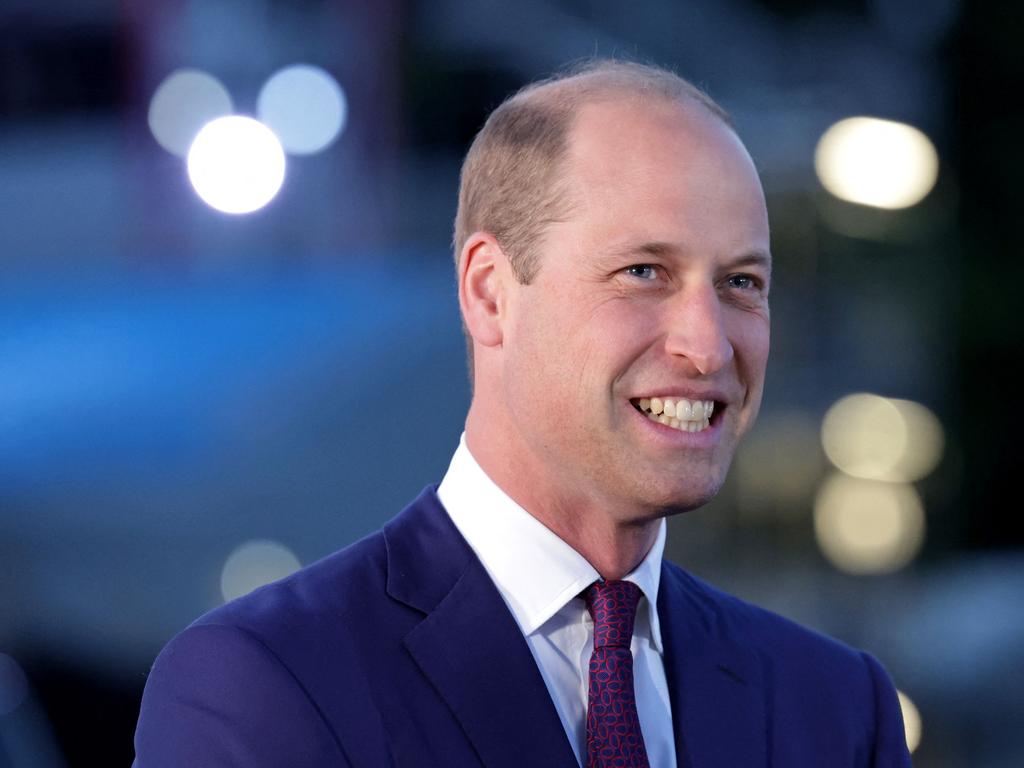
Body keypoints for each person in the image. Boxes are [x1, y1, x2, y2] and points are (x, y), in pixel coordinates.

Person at [133, 59, 912, 767]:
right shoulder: (267, 684)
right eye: (644, 272)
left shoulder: (836, 708)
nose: (707, 346)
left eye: (741, 283)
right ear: (489, 293)